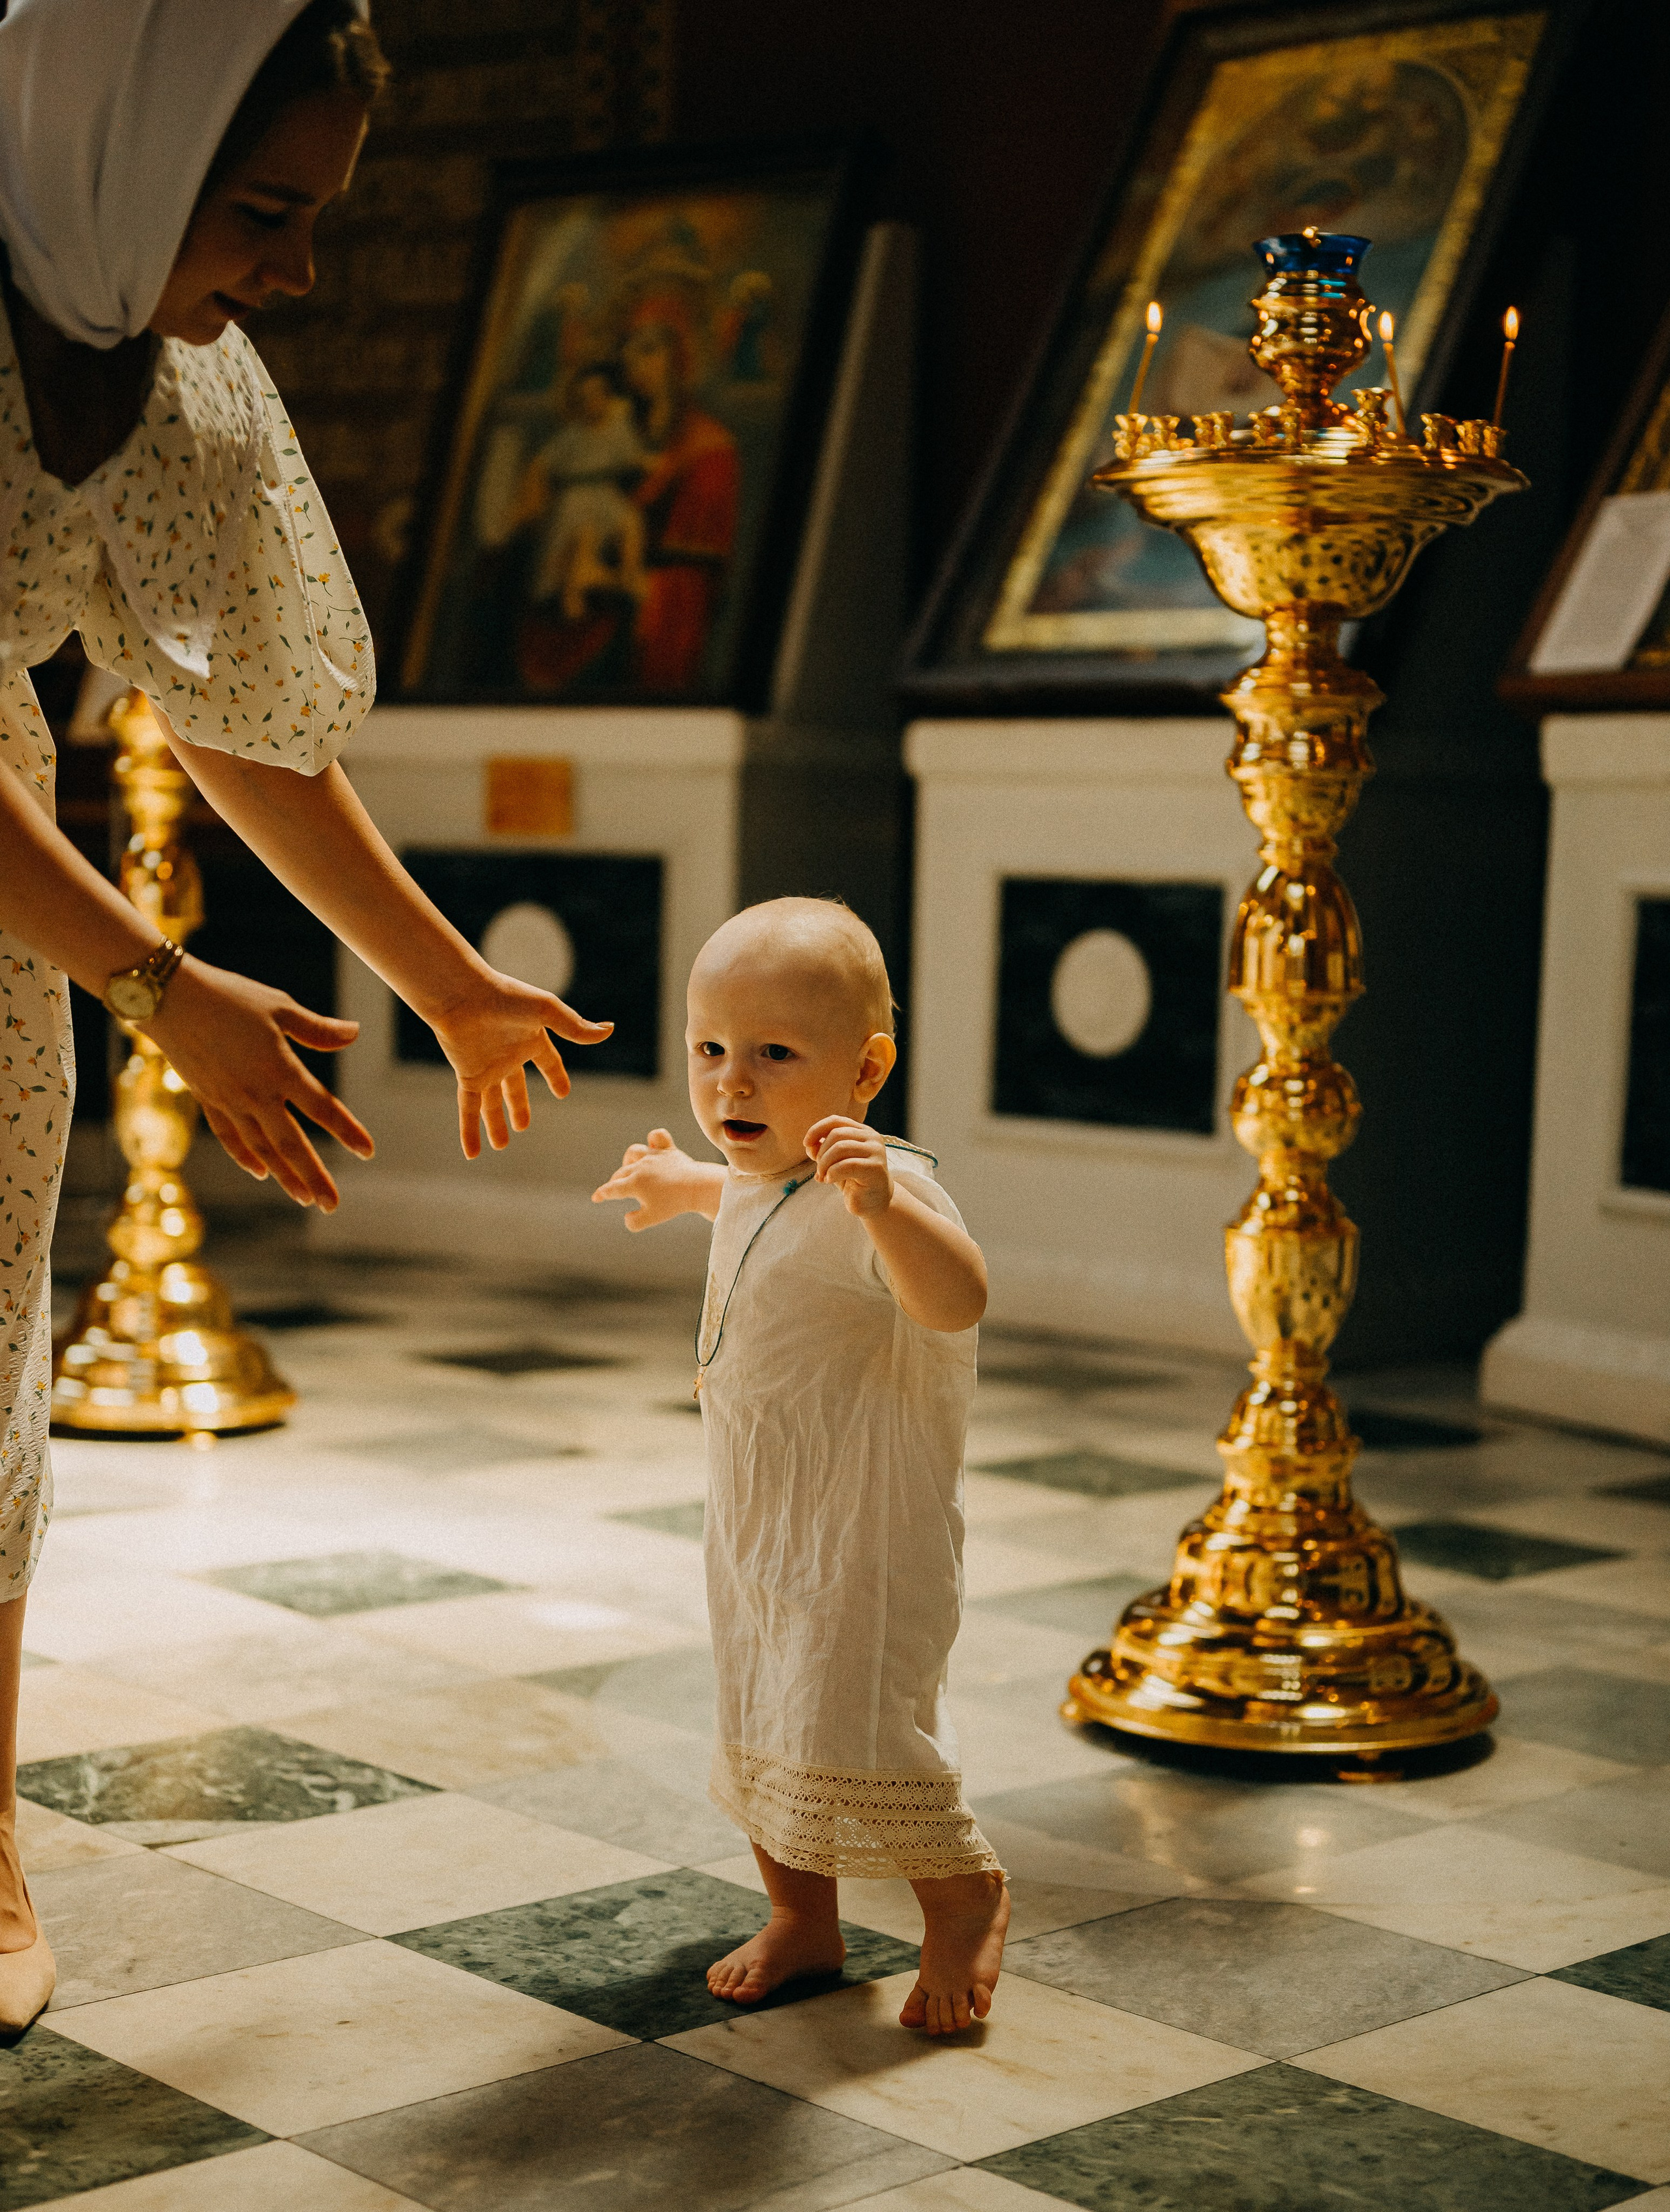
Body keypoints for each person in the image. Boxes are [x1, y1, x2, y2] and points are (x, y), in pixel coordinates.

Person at [0, 0, 612, 2036]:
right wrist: (160, 982)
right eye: (263, 210)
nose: (294, 267)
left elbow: (233, 708)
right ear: (118, 149)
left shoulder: (184, 385)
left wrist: (441, 977)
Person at [593, 899, 1010, 2037]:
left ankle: (962, 1896)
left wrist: (883, 1209)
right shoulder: (767, 1167)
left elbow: (958, 1297)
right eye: (710, 1050)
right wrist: (679, 1182)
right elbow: (744, 1196)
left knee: (857, 1713)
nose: (735, 1083)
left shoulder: (881, 1186)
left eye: (776, 1055)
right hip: (761, 1513)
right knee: (762, 1701)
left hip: (865, 1530)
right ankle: (802, 1918)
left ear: (868, 1067)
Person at [528, 363, 648, 621]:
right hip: (577, 497)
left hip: (606, 495)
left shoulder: (619, 429)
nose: (591, 402)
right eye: (584, 398)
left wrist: (643, 463)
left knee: (631, 522)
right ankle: (573, 593)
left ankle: (627, 578)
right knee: (585, 532)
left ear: (607, 398)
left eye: (597, 395)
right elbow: (546, 461)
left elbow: (634, 459)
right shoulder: (573, 435)